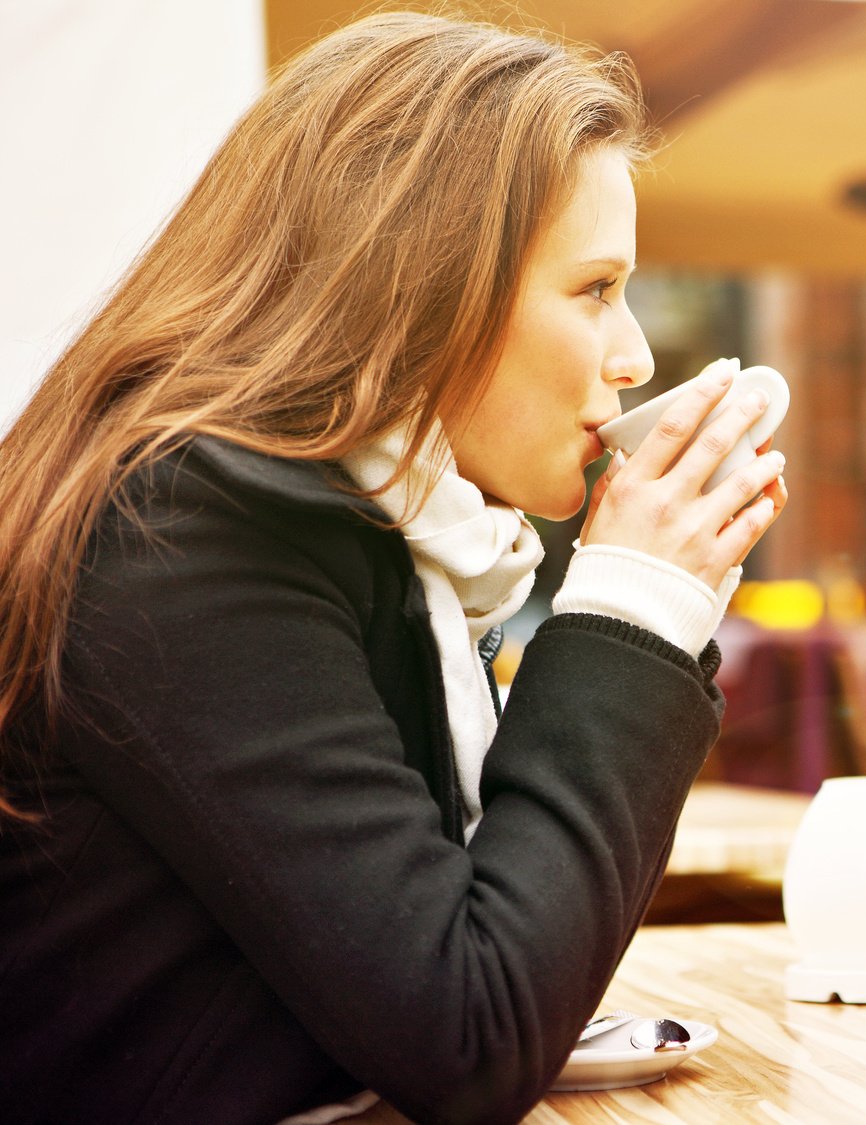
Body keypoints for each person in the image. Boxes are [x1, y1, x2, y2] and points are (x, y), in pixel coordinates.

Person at [0, 13, 785, 1125]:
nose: (636, 355)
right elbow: (468, 1032)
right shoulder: (184, 528)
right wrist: (636, 614)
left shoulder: (360, 532)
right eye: (595, 289)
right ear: (421, 285)